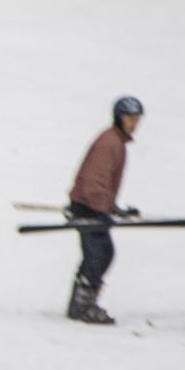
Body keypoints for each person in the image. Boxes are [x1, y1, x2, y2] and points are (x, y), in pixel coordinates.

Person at [63, 97, 144, 325]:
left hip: (90, 206)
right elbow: (93, 182)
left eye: (137, 119)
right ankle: (83, 305)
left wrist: (111, 208)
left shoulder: (115, 141)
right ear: (119, 117)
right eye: (129, 118)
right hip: (88, 207)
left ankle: (80, 303)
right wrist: (100, 210)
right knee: (100, 254)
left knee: (97, 254)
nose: (134, 123)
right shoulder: (110, 143)